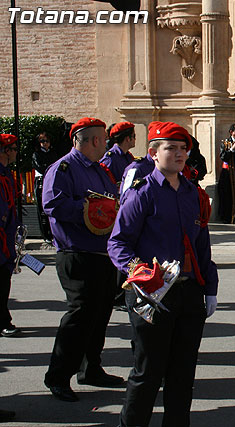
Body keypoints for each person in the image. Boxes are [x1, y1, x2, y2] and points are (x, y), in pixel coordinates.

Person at [108, 121, 219, 426]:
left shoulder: (193, 194)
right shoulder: (141, 193)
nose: (180, 154)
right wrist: (139, 273)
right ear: (154, 154)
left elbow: (201, 244)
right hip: (151, 294)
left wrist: (210, 287)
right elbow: (118, 243)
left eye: (184, 148)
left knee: (183, 373)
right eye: (171, 148)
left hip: (189, 291)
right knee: (148, 371)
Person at [42, 117, 123, 402]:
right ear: (92, 141)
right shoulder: (64, 168)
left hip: (102, 254)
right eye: (103, 139)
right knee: (79, 316)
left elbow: (113, 203)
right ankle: (58, 376)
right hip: (76, 252)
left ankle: (91, 369)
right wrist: (91, 211)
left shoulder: (100, 171)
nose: (106, 144)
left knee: (100, 314)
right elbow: (52, 204)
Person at [0, 134, 21, 338]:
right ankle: (3, 321)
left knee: (4, 280)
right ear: (6, 151)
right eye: (14, 148)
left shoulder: (7, 174)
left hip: (6, 234)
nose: (16, 152)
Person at [32, 132, 57, 242]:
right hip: (41, 181)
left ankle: (53, 233)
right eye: (42, 141)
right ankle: (45, 234)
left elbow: (55, 165)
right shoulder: (36, 154)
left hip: (52, 180)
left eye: (46, 141)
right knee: (42, 208)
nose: (45, 144)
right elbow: (40, 167)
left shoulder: (53, 153)